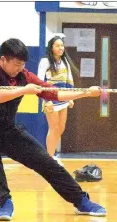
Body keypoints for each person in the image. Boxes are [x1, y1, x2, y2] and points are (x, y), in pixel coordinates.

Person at [0, 38, 106, 221]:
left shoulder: (24, 76)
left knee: (46, 161)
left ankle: (81, 200)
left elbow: (54, 93)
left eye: (23, 64)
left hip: (9, 131)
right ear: (3, 60)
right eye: (16, 64)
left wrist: (85, 93)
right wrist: (24, 90)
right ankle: (5, 202)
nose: (20, 68)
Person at [37, 35, 78, 166]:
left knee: (60, 128)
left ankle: (52, 155)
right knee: (53, 128)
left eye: (62, 45)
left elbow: (69, 81)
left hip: (63, 98)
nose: (61, 48)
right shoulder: (45, 61)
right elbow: (39, 81)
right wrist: (46, 99)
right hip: (50, 98)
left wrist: (70, 97)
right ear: (52, 47)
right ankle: (49, 158)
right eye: (58, 45)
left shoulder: (65, 62)